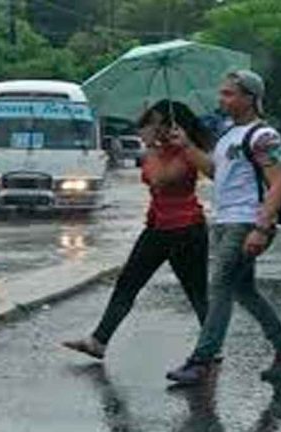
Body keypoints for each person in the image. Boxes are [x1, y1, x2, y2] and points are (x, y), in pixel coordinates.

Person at [166, 70, 281, 385]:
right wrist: (187, 146)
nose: (222, 99)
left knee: (220, 286)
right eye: (222, 93)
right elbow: (218, 173)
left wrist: (261, 227)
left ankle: (202, 361)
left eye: (229, 93)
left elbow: (278, 182)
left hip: (247, 221)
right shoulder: (229, 135)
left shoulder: (263, 137)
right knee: (244, 290)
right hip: (225, 219)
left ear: (250, 98)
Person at [61, 100, 213, 360]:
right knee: (128, 283)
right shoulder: (163, 150)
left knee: (196, 292)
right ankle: (99, 340)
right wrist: (154, 146)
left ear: (168, 125)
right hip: (157, 226)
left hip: (185, 229)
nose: (147, 127)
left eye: (153, 122)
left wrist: (152, 147)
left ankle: (212, 346)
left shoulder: (183, 152)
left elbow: (159, 179)